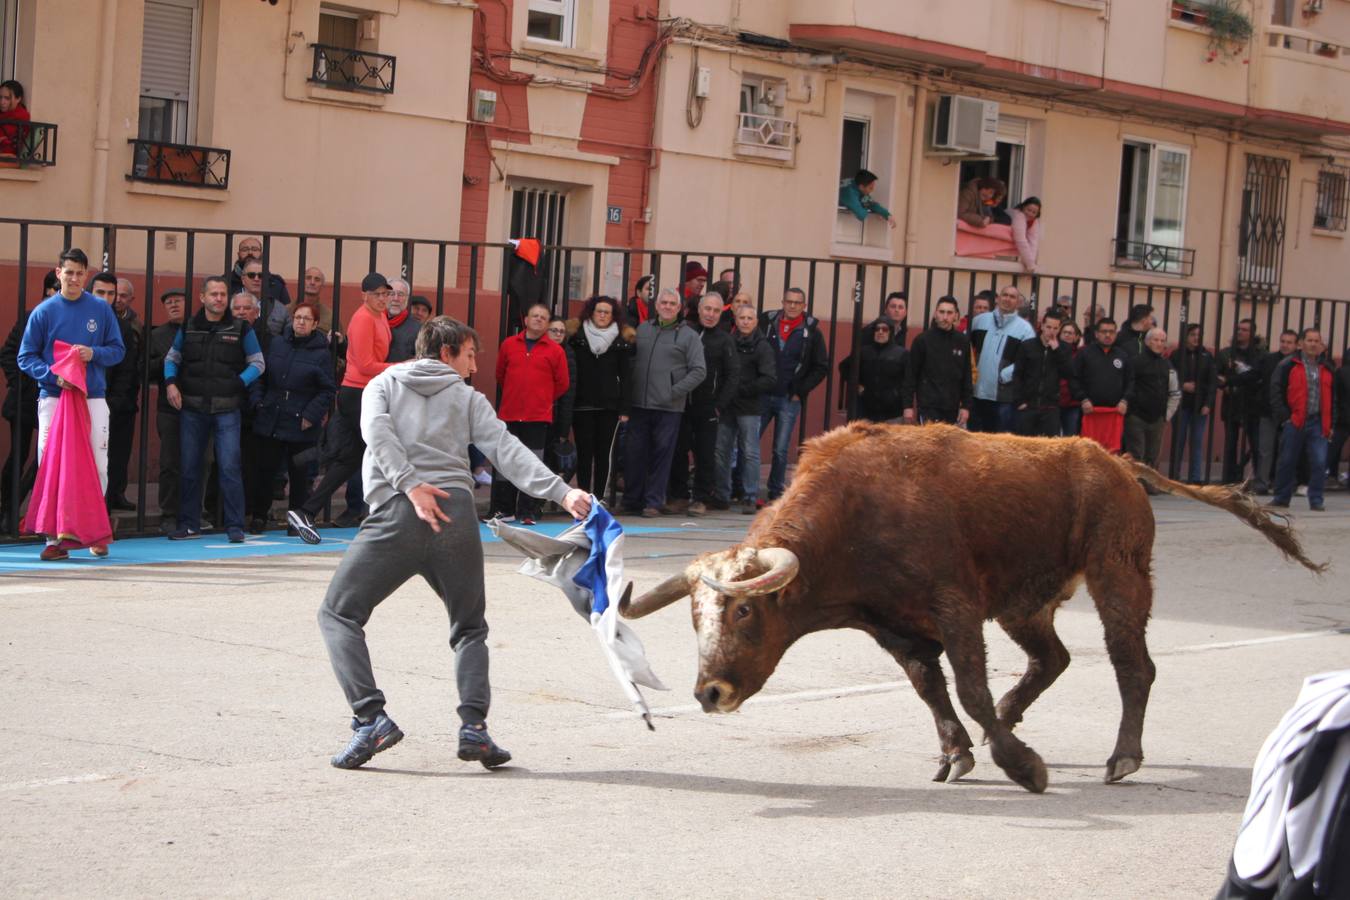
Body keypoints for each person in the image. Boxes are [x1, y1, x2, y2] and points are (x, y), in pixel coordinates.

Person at [317, 315, 593, 770]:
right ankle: (474, 729)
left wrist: (407, 485)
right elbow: (507, 450)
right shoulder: (467, 398)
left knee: (338, 613)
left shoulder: (382, 385)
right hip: (456, 515)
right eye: (469, 355)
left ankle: (370, 719)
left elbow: (376, 436)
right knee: (469, 628)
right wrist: (563, 492)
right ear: (445, 352)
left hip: (398, 513)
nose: (473, 366)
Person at [18, 249, 126, 561]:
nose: (74, 279)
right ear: (58, 273)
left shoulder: (101, 310)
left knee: (98, 464)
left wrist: (94, 355)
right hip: (54, 397)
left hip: (92, 396)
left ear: (87, 274)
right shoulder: (43, 312)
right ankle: (53, 538)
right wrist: (53, 375)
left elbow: (117, 350)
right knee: (52, 464)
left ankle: (94, 532)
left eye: (80, 273)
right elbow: (26, 356)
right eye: (69, 273)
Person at [287, 273, 394, 544]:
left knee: (351, 457)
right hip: (356, 394)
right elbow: (367, 364)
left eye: (386, 294)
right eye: (377, 294)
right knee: (380, 450)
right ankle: (381, 517)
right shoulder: (362, 319)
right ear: (364, 295)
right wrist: (404, 367)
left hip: (369, 392)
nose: (383, 299)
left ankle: (307, 510)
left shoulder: (380, 316)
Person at [163, 276, 265, 543]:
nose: (219, 298)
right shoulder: (188, 326)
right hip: (192, 408)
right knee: (189, 467)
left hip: (227, 408)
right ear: (202, 298)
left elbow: (258, 363)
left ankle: (235, 526)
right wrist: (171, 383)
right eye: (214, 294)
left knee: (230, 467)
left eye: (223, 294)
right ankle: (189, 524)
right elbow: (172, 358)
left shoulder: (241, 328)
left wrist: (238, 383)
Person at [252, 303, 334, 533]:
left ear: (315, 324)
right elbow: (262, 376)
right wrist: (259, 402)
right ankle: (259, 516)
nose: (301, 322)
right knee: (266, 470)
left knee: (299, 475)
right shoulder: (278, 343)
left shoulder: (321, 353)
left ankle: (295, 521)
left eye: (307, 319)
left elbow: (327, 390)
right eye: (298, 317)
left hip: (302, 421)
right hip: (273, 416)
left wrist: (310, 415)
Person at [623, 288, 705, 517]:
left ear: (679, 309)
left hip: (669, 407)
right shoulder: (643, 329)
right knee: (634, 454)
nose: (667, 307)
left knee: (661, 456)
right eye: (664, 302)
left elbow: (699, 371)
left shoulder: (688, 336)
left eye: (672, 304)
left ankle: (653, 502)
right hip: (639, 404)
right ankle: (632, 500)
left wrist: (674, 391)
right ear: (656, 306)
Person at [488, 303, 569, 525]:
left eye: (544, 318)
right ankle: (502, 510)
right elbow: (500, 374)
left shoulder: (555, 351)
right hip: (510, 413)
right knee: (505, 463)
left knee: (532, 463)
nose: (539, 320)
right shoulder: (508, 345)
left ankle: (527, 511)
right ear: (526, 320)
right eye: (535, 316)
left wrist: (541, 398)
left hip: (537, 417)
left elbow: (562, 384)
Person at [0, 269, 57, 528]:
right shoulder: (32, 317)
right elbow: (9, 353)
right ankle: (7, 511)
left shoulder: (72, 318)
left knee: (45, 457)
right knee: (19, 454)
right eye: (55, 287)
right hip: (25, 398)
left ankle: (23, 505)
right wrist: (20, 383)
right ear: (48, 290)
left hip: (54, 397)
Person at [758, 287, 827, 502]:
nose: (793, 306)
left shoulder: (812, 332)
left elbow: (820, 366)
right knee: (749, 442)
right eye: (789, 301)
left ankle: (776, 490)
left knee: (780, 448)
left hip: (789, 398)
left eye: (798, 302)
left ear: (804, 306)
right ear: (783, 302)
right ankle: (743, 487)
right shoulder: (767, 324)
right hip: (763, 394)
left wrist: (800, 390)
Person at [566, 296, 633, 498]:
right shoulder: (576, 337)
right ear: (591, 312)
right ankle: (584, 496)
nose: (602, 315)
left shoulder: (620, 340)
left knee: (604, 454)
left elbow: (627, 377)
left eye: (607, 312)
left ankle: (600, 497)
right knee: (584, 453)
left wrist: (625, 408)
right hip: (582, 404)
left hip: (609, 406)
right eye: (599, 311)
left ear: (613, 316)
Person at [87, 273, 143, 512]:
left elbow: (127, 366)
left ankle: (105, 508)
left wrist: (115, 401)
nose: (108, 298)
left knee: (111, 459)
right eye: (102, 292)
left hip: (114, 402)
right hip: (78, 398)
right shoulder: (80, 317)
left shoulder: (121, 326)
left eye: (112, 294)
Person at [679, 293, 738, 514]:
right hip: (682, 403)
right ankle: (678, 495)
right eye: (707, 309)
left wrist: (719, 405)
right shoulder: (686, 332)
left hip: (708, 406)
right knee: (678, 450)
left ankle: (701, 498)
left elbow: (733, 375)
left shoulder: (725, 340)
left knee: (705, 454)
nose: (711, 314)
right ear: (700, 309)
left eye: (715, 310)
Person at [716, 304, 775, 514]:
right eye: (742, 318)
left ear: (756, 322)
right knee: (721, 450)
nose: (745, 322)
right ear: (736, 320)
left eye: (750, 318)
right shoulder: (728, 342)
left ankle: (750, 496)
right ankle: (722, 495)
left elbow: (769, 378)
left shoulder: (762, 346)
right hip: (728, 405)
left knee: (750, 452)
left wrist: (744, 389)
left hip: (750, 406)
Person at [1269, 328, 1333, 512]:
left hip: (1318, 421)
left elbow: (1333, 396)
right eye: (1309, 340)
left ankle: (1316, 499)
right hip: (1295, 419)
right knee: (1287, 459)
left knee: (1319, 461)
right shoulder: (1288, 364)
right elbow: (1276, 390)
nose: (1313, 344)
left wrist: (1331, 422)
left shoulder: (1327, 367)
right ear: (1301, 343)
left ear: (1321, 345)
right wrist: (1285, 417)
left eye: (1316, 341)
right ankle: (1281, 497)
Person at [229, 291, 274, 532]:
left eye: (247, 308)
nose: (241, 312)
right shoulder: (225, 331)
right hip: (227, 404)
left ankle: (253, 512)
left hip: (256, 409)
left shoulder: (268, 338)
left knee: (254, 464)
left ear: (256, 313)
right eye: (237, 308)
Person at [969, 285, 1035, 432]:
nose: (1007, 299)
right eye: (1005, 295)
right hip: (976, 394)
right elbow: (965, 347)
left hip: (1005, 397)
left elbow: (1029, 360)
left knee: (999, 444)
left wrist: (1005, 375)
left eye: (1012, 297)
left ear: (1018, 302)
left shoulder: (1025, 329)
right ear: (998, 299)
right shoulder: (979, 321)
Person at [148, 289, 186, 533]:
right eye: (168, 302)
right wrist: (167, 360)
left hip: (197, 404)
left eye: (178, 301)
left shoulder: (196, 329)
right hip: (168, 406)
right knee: (170, 461)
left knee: (199, 461)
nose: (173, 305)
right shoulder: (157, 335)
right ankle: (169, 513)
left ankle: (194, 510)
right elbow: (146, 370)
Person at [902, 296, 971, 426]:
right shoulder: (922, 340)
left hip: (953, 407)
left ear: (956, 316)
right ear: (935, 314)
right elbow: (910, 375)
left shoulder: (962, 341)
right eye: (941, 312)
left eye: (949, 313)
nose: (945, 317)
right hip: (928, 405)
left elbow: (967, 376)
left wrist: (966, 406)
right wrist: (908, 406)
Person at [1216, 318, 1266, 485]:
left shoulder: (1261, 354)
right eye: (1238, 329)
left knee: (1256, 443)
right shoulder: (1226, 353)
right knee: (1230, 443)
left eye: (1244, 330)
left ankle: (1259, 477)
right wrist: (1224, 385)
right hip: (1232, 403)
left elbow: (1260, 377)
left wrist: (1231, 379)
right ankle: (1229, 478)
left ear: (1252, 333)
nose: (1240, 332)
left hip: (1253, 403)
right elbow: (1216, 375)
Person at [1072, 316, 1133, 453]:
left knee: (1112, 455)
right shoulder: (1085, 354)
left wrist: (1125, 400)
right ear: (1096, 334)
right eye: (1104, 331)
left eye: (1111, 332)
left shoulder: (1123, 355)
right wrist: (1083, 399)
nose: (1107, 335)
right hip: (1090, 413)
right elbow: (1074, 379)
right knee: (1087, 454)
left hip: (1114, 415)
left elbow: (1131, 381)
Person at [1123, 327, 1175, 484]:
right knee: (1136, 453)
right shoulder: (1136, 362)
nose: (1159, 343)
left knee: (1153, 454)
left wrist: (1166, 414)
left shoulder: (1166, 364)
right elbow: (1129, 385)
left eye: (1162, 340)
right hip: (1137, 415)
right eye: (1155, 340)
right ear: (1147, 341)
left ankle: (1151, 484)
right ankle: (1135, 484)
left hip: (1158, 416)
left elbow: (1173, 389)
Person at [1169, 323, 1217, 485]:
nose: (1196, 338)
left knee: (1196, 441)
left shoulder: (1206, 356)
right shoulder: (1176, 355)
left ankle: (1195, 477)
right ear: (1186, 336)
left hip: (1199, 405)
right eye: (1193, 335)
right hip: (1181, 404)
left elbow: (1212, 382)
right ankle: (1174, 475)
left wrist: (1208, 404)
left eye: (1199, 335)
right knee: (1178, 440)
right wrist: (1183, 385)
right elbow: (1169, 377)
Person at [1013, 309, 1071, 437]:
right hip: (1028, 406)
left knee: (1049, 447)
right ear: (1042, 326)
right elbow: (1018, 375)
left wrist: (1056, 350)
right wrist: (1019, 401)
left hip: (1051, 407)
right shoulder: (1027, 346)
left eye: (1055, 328)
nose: (1051, 331)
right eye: (1049, 327)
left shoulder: (1064, 349)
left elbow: (1068, 373)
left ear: (1059, 329)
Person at [1253, 329, 1297, 494]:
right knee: (1265, 450)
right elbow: (1257, 378)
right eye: (1283, 341)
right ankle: (1262, 484)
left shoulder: (1297, 362)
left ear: (1296, 344)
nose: (1285, 345)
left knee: (1285, 451)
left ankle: (1282, 484)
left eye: (1289, 342)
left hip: (1289, 413)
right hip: (1268, 410)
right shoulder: (1269, 359)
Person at [839, 318, 906, 423]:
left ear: (891, 332)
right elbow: (844, 367)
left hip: (892, 413)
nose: (880, 332)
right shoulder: (864, 352)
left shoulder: (901, 354)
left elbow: (909, 379)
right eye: (877, 329)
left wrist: (896, 393)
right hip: (867, 411)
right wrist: (857, 385)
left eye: (884, 329)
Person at [544, 315, 577, 490]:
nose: (558, 334)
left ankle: (541, 501)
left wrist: (564, 429)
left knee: (551, 459)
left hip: (556, 415)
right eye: (554, 330)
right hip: (536, 412)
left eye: (562, 332)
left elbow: (568, 393)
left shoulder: (567, 353)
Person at [228, 236, 291, 322]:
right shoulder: (225, 282)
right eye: (245, 249)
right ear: (238, 254)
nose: (250, 252)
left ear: (261, 254)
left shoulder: (276, 284)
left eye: (254, 249)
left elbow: (286, 314)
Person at [237, 257, 290, 337]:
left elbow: (287, 339)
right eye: (251, 275)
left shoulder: (281, 309)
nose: (256, 279)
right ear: (243, 279)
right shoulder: (230, 303)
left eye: (261, 276)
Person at [1056, 320, 1084, 436]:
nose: (1067, 335)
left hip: (1073, 403)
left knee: (1070, 438)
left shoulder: (1081, 354)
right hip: (1054, 402)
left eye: (1071, 333)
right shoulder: (1053, 351)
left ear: (1077, 337)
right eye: (1065, 332)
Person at [1329, 349, 1350, 489]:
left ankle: (1331, 474)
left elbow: (1335, 395)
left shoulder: (1341, 372)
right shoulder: (1343, 372)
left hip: (1342, 416)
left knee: (1333, 447)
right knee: (1334, 447)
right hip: (1343, 416)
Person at [385, 278, 419, 363]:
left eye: (401, 294)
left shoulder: (418, 329)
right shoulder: (373, 321)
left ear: (407, 299)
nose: (396, 298)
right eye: (391, 293)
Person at [1010, 197, 1043, 274]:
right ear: (1023, 207)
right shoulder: (1019, 215)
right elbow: (1020, 240)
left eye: (1034, 212)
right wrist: (1030, 265)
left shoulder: (1034, 222)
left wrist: (1031, 264)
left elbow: (1033, 243)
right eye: (1028, 210)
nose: (1030, 214)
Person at [0, 79, 30, 157]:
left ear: (18, 99)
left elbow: (11, 144)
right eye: (0, 97)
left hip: (8, 157)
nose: (2, 102)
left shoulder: (21, 117)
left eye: (7, 98)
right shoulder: (3, 115)